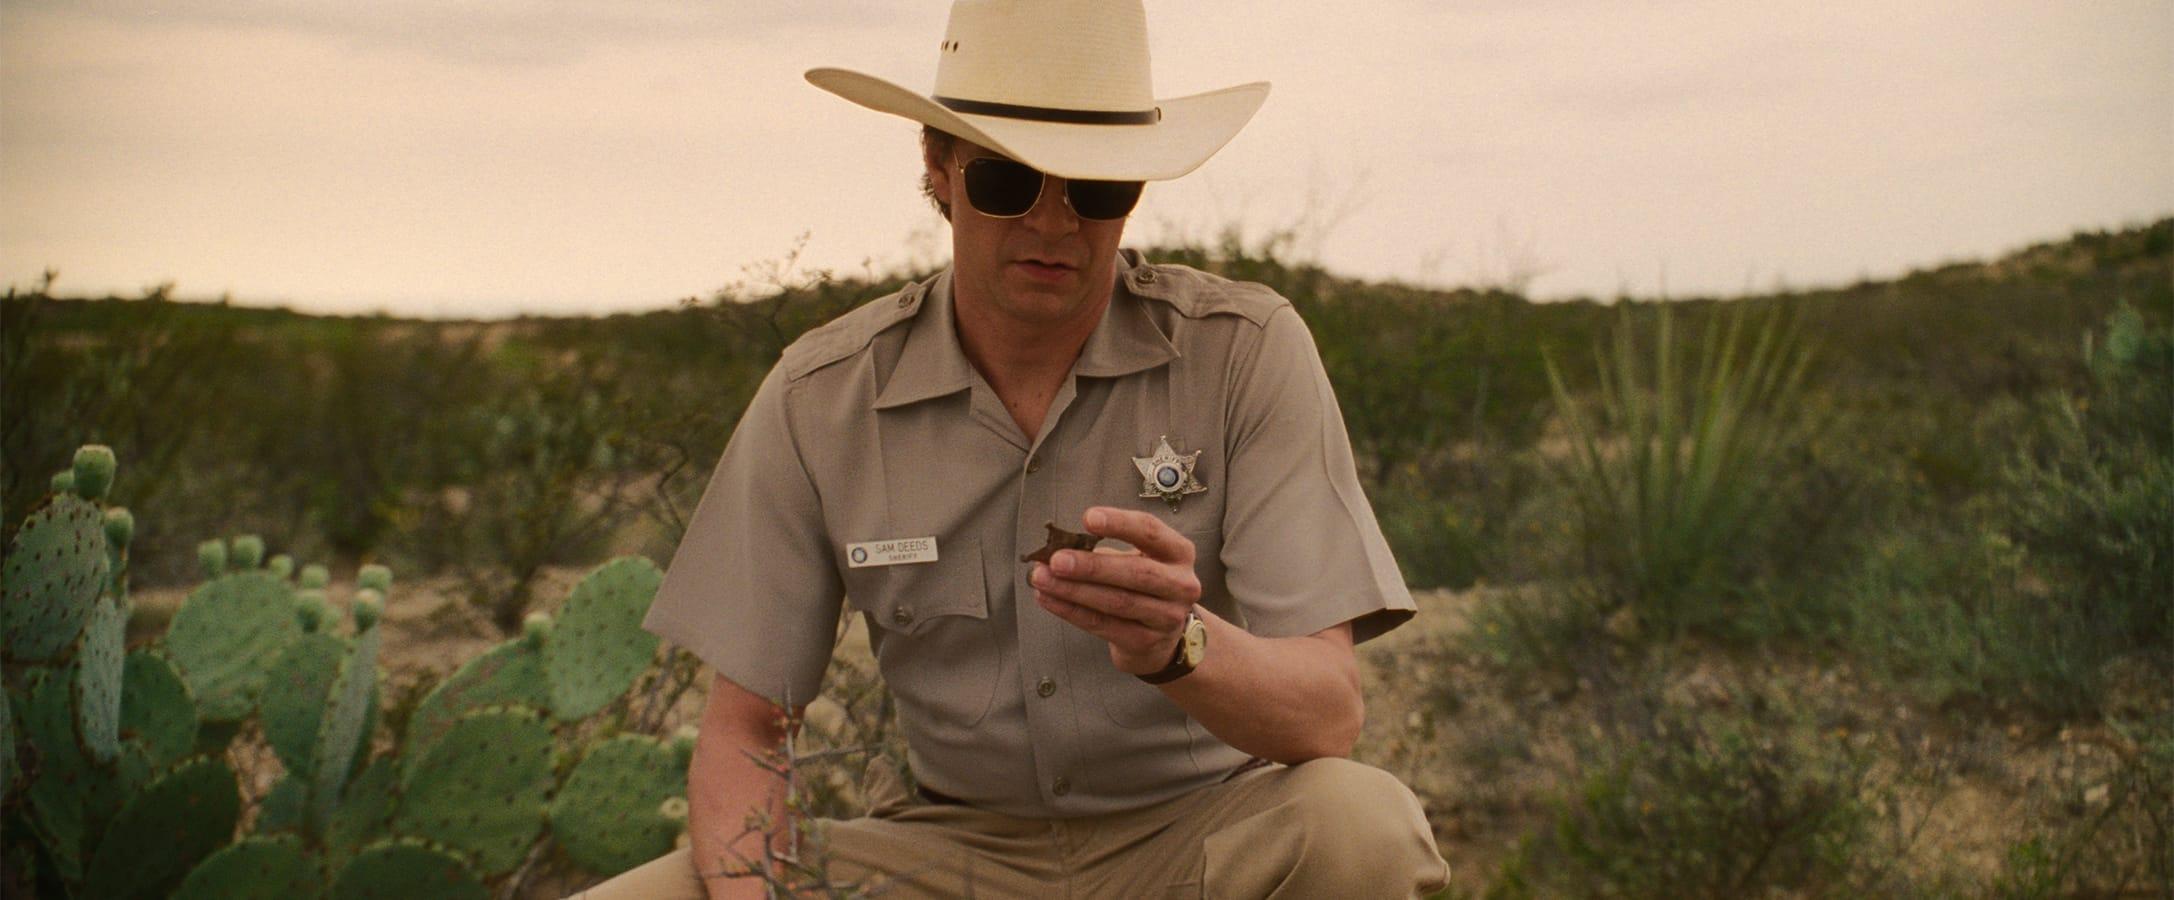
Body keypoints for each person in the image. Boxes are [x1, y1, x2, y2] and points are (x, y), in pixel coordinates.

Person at [582, 1, 1450, 896]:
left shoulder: (1243, 351)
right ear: (938, 166)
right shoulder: (823, 395)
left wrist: (1177, 644)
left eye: (1096, 189)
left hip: (1196, 843)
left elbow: (1327, 715)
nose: (1053, 223)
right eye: (1008, 182)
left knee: (1361, 825)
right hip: (945, 854)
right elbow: (751, 727)